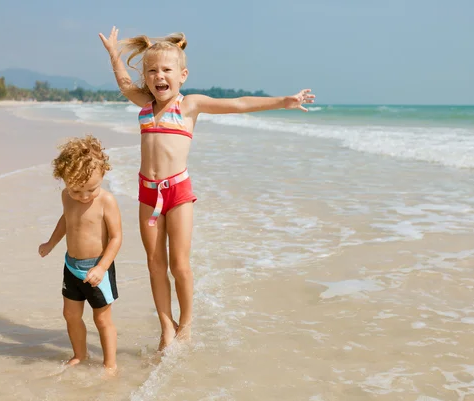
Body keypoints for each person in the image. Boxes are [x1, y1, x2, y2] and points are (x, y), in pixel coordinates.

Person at [99, 26, 315, 351]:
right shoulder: (143, 102)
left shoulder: (189, 105)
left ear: (182, 75)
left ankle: (185, 324)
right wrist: (114, 55)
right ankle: (165, 325)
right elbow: (123, 83)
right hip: (148, 194)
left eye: (167, 70)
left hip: (178, 194)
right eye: (152, 70)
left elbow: (239, 104)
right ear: (146, 75)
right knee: (155, 263)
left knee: (179, 265)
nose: (159, 76)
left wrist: (283, 101)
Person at [38, 134, 122, 373]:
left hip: (98, 268)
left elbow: (116, 238)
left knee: (102, 319)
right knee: (70, 314)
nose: (84, 197)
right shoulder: (66, 196)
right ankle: (80, 354)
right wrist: (51, 243)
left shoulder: (107, 201)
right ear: (64, 180)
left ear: (103, 175)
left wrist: (102, 268)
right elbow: (67, 220)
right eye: (76, 190)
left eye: (90, 189)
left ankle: (110, 364)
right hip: (72, 267)